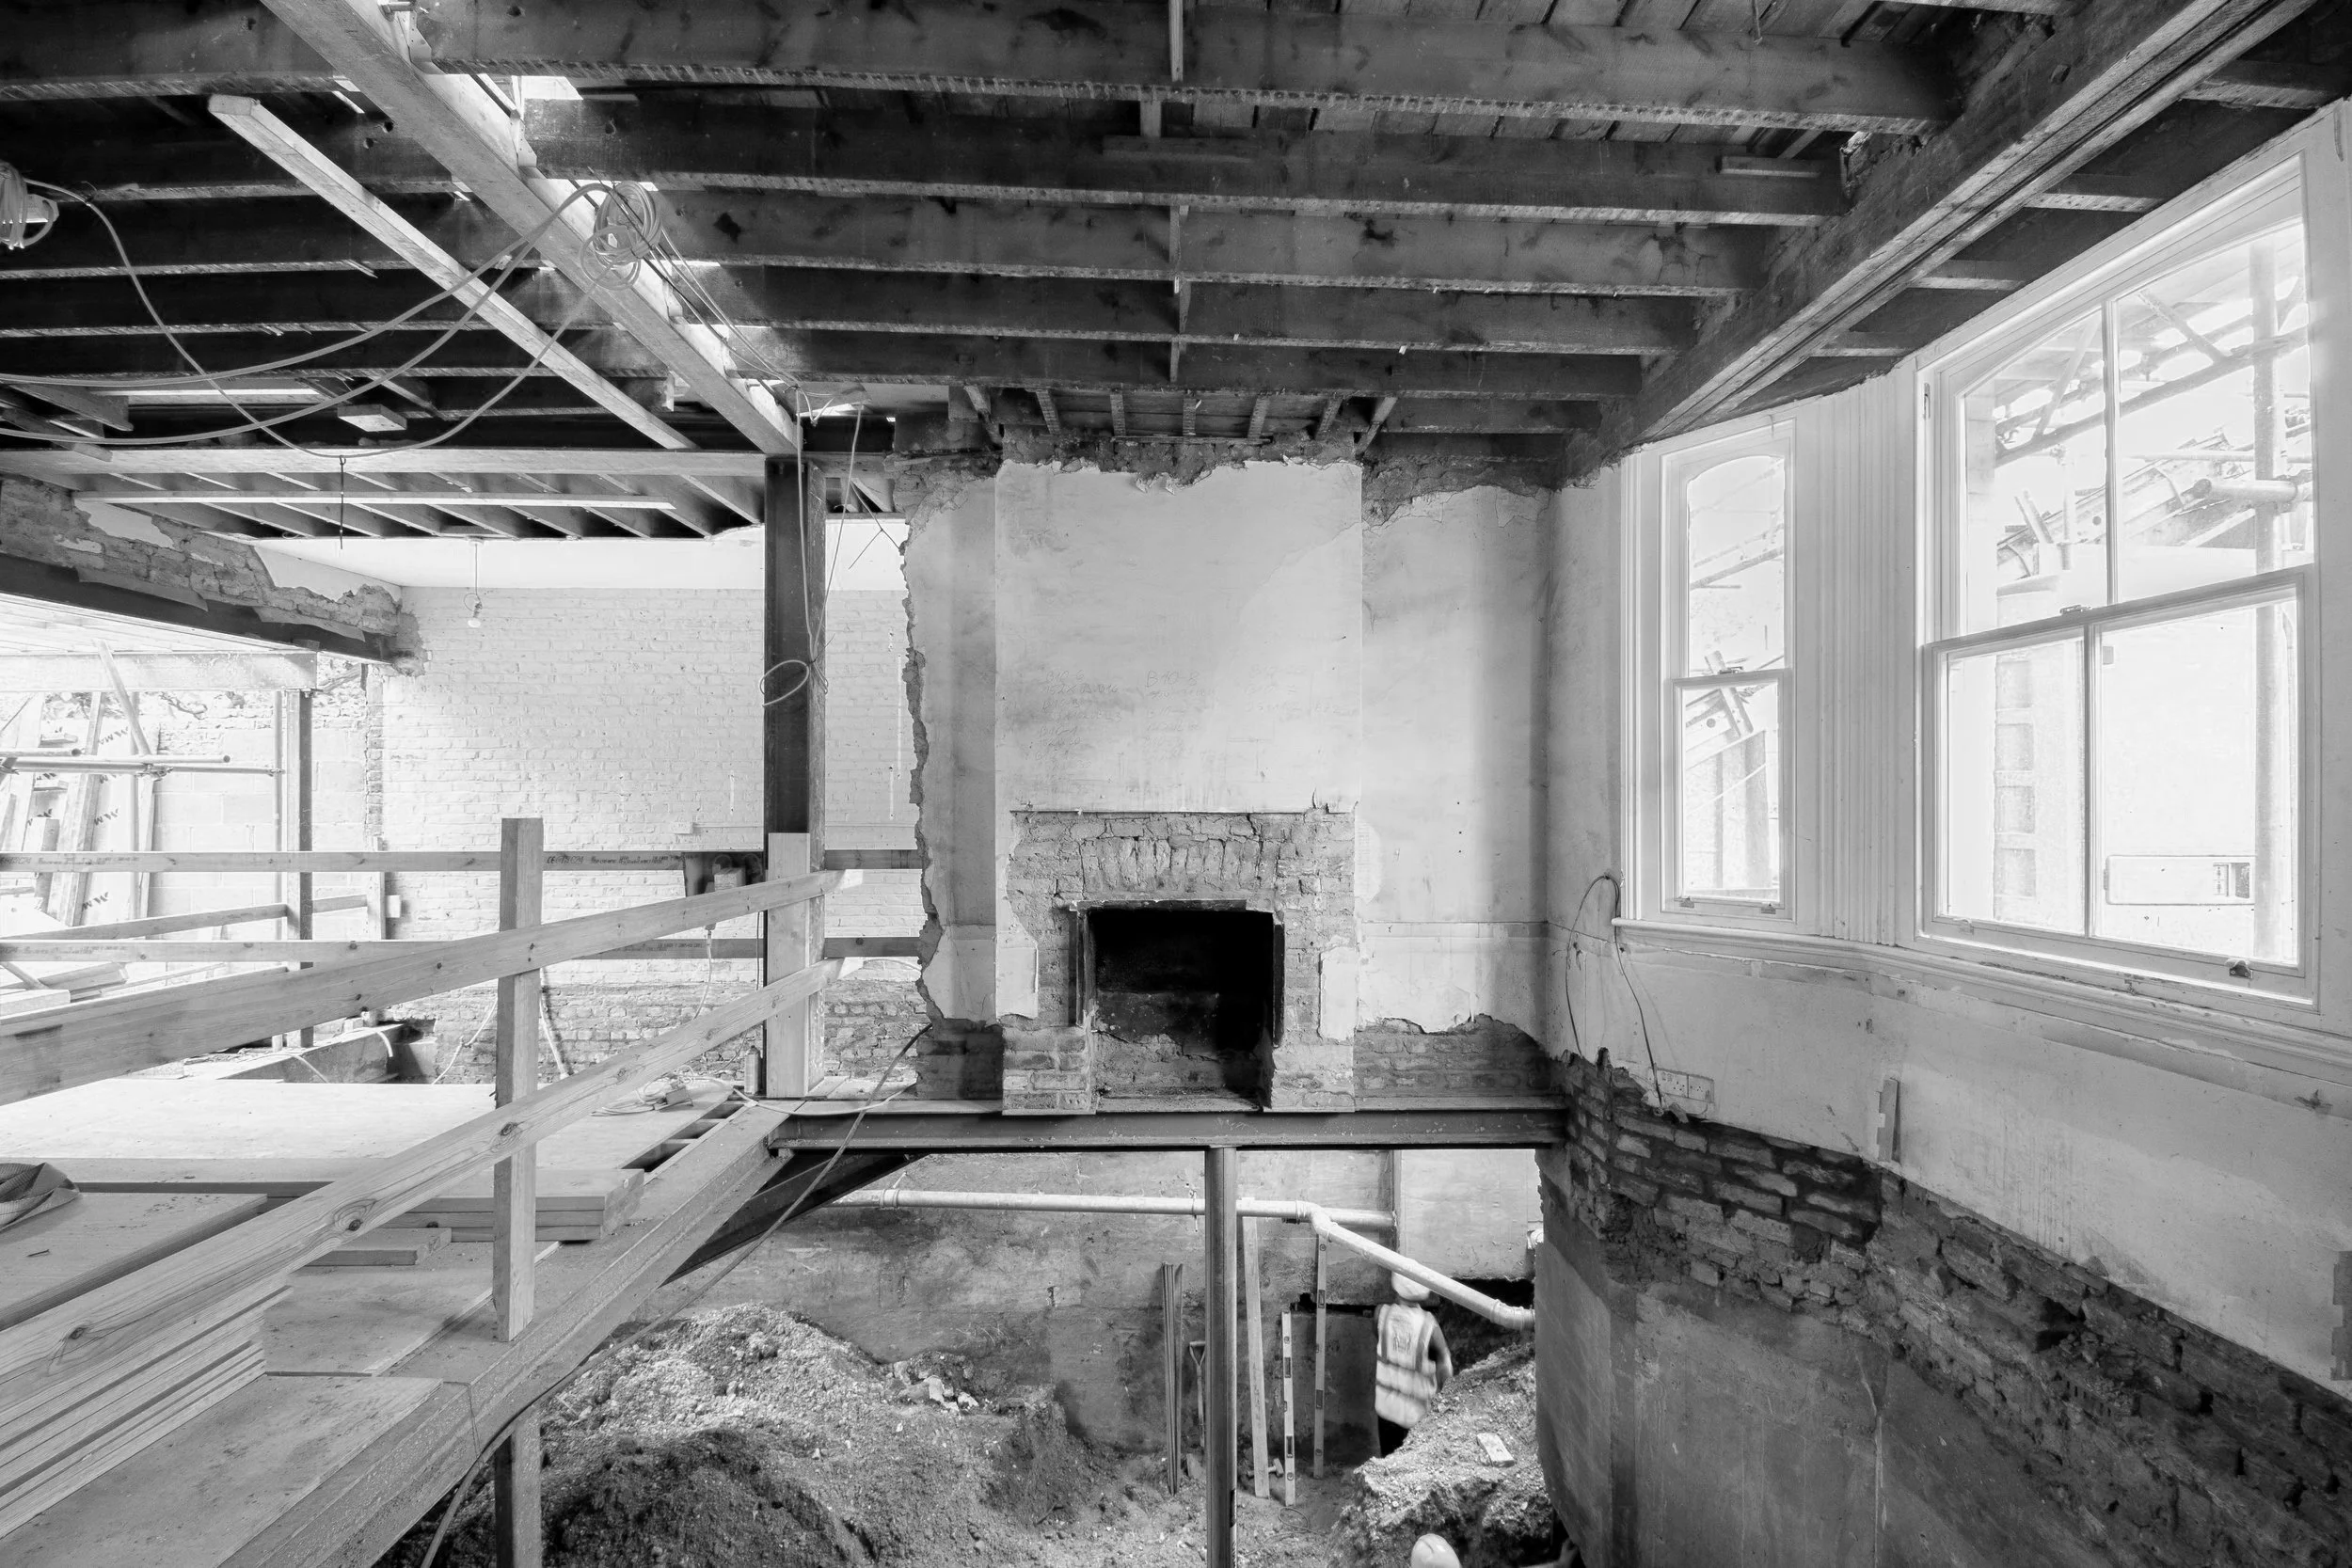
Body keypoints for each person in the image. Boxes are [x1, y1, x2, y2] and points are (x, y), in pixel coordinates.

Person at [1374, 1272, 1454, 1456]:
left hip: (1386, 1409)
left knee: (1389, 1460)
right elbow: (1445, 1363)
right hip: (1416, 1415)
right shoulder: (1428, 1325)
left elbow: (1379, 1339)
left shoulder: (1381, 1314)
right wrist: (1447, 1400)